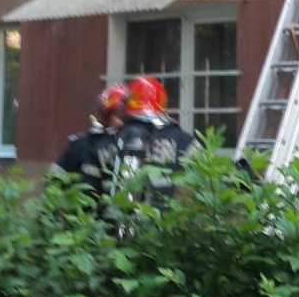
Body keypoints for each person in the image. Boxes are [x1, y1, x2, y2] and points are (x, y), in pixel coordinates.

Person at [113, 75, 197, 204]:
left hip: (125, 219)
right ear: (162, 102)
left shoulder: (119, 137)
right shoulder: (185, 140)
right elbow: (200, 183)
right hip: (170, 220)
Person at [50, 82, 129, 205]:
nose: (122, 122)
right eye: (118, 114)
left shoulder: (132, 146)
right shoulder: (81, 145)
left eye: (125, 116)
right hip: (85, 218)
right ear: (106, 116)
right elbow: (54, 181)